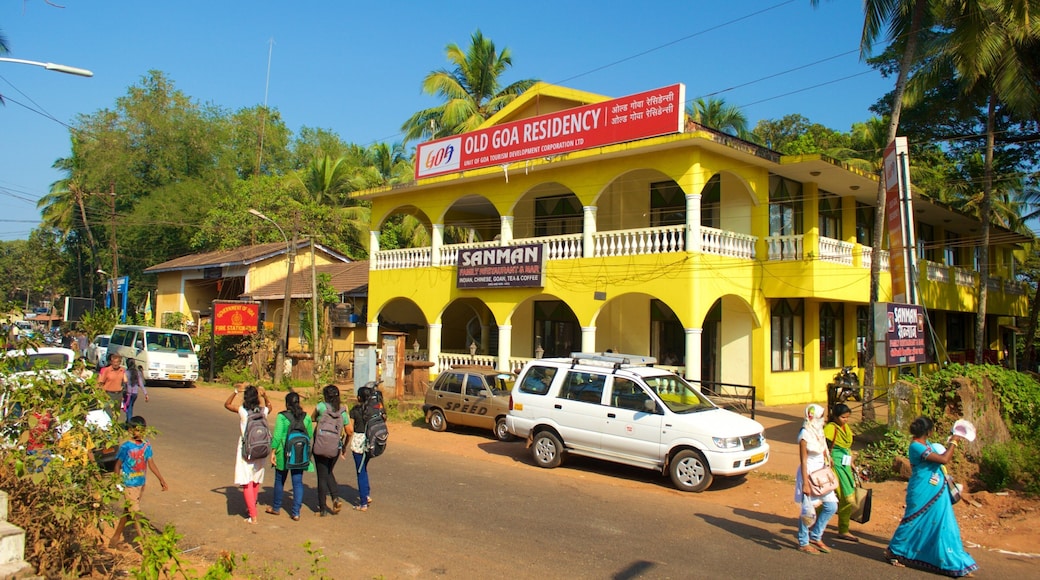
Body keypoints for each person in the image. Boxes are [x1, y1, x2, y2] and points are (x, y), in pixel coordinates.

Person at [886, 416, 977, 577]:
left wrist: (950, 441)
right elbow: (944, 459)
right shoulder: (916, 447)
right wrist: (954, 441)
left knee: (942, 524)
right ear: (929, 431)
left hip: (936, 491)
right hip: (922, 490)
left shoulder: (926, 444)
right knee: (912, 521)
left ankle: (950, 560)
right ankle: (894, 551)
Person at [110, 416, 168, 547]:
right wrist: (116, 482)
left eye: (142, 430)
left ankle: (115, 538)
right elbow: (117, 465)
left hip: (140, 483)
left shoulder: (146, 445)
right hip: (128, 483)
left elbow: (151, 463)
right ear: (130, 430)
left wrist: (161, 479)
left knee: (128, 510)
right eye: (137, 430)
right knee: (136, 513)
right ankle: (145, 546)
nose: (140, 433)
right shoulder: (126, 447)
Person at [224, 384, 271, 524]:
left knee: (246, 482)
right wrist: (265, 395)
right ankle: (251, 507)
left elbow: (227, 404)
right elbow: (270, 406)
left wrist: (235, 392)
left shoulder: (243, 411)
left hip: (246, 449)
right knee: (256, 480)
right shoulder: (263, 411)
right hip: (261, 449)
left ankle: (253, 515)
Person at [795, 403, 839, 554]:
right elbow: (803, 460)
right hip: (808, 475)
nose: (823, 419)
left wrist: (828, 457)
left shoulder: (818, 432)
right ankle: (803, 542)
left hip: (821, 475)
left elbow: (823, 449)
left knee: (831, 506)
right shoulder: (805, 434)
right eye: (821, 416)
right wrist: (805, 483)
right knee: (808, 511)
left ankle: (816, 535)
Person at [267, 391, 313, 521]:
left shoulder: (282, 417)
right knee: (297, 482)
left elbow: (276, 436)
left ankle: (276, 508)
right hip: (299, 454)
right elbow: (309, 435)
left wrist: (273, 451)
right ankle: (296, 512)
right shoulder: (306, 417)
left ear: (287, 404)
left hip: (283, 453)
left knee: (279, 480)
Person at [312, 384, 348, 516]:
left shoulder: (321, 407)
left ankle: (322, 509)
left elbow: (312, 418)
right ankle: (335, 498)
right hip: (335, 447)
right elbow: (349, 430)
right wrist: (344, 445)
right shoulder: (343, 411)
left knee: (322, 476)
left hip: (320, 445)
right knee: (328, 472)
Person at [824, 403, 858, 542]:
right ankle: (813, 522)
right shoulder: (830, 429)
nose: (846, 420)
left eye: (847, 417)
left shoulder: (846, 428)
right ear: (836, 417)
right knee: (832, 495)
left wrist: (852, 463)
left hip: (845, 466)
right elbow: (823, 446)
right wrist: (828, 459)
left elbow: (847, 447)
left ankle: (843, 529)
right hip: (834, 466)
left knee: (847, 497)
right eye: (843, 417)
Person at [348, 385, 379, 511]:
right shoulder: (373, 410)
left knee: (360, 471)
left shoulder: (355, 410)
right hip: (371, 441)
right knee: (364, 468)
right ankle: (366, 494)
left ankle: (363, 503)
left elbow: (350, 429)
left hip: (358, 442)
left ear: (359, 398)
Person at [98, 354, 128, 419]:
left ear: (120, 362)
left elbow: (125, 380)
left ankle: (114, 426)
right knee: (108, 413)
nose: (115, 364)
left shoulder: (122, 370)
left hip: (118, 394)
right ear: (111, 362)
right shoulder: (107, 370)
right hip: (108, 394)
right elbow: (101, 382)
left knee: (116, 413)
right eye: (114, 362)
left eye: (117, 362)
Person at [123, 359, 148, 425]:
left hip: (128, 393)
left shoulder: (126, 372)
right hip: (135, 393)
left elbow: (125, 383)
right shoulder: (137, 373)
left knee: (128, 407)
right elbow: (141, 384)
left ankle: (129, 422)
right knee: (130, 406)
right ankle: (128, 420)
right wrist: (145, 393)